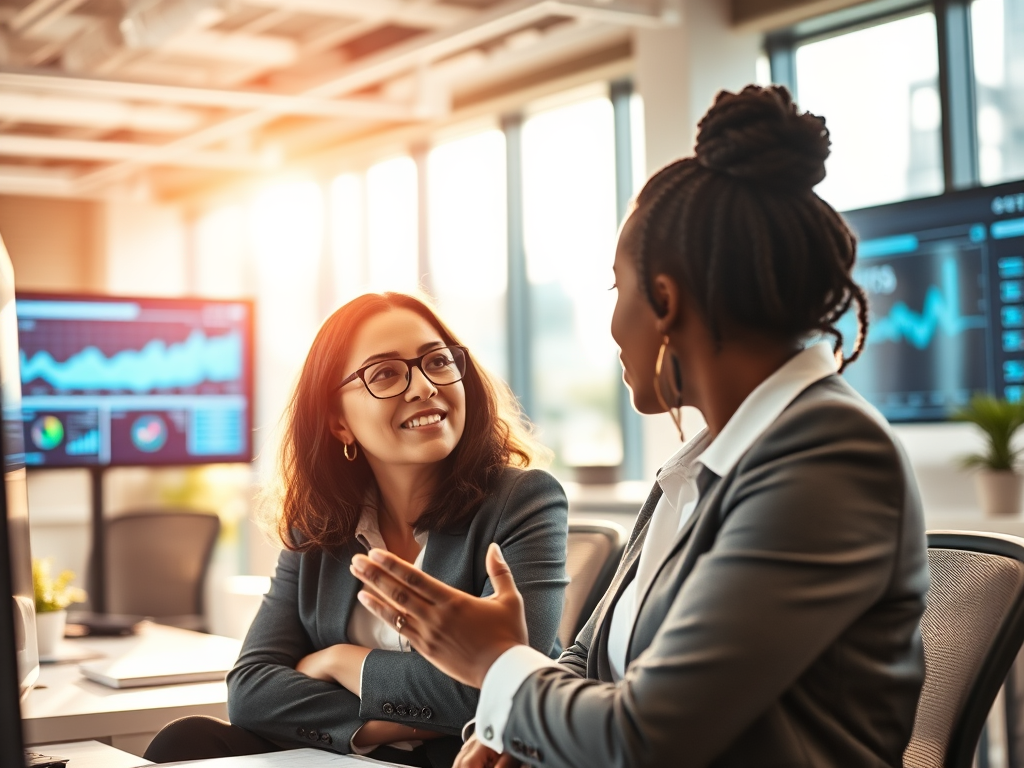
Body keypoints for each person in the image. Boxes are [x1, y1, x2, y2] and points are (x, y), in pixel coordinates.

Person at [350, 85, 930, 768]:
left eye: (615, 290)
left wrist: (496, 664)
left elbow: (649, 736)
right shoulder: (701, 469)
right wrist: (510, 731)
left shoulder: (829, 455)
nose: (613, 326)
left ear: (664, 301)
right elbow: (588, 665)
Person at [144, 292, 569, 768]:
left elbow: (511, 686)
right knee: (187, 742)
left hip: (465, 760)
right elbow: (251, 689)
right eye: (386, 373)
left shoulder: (523, 500)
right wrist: (403, 717)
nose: (425, 386)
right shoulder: (320, 524)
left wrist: (343, 661)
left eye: (437, 362)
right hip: (339, 757)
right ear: (339, 423)